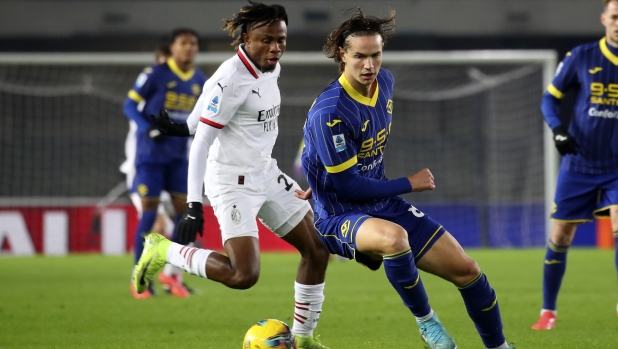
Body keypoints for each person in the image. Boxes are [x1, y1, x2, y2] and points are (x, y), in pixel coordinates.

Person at [299, 9, 515, 349]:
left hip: (383, 203)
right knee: (394, 238)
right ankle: (428, 325)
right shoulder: (330, 112)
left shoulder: (385, 82)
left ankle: (500, 347)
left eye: (375, 55)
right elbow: (348, 186)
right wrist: (408, 183)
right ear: (342, 55)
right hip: (339, 215)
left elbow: (342, 159)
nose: (369, 65)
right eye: (360, 57)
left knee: (468, 270)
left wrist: (324, 167)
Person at [134, 2, 331, 348]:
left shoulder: (271, 66)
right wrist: (194, 205)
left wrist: (184, 126)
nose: (275, 48)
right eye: (266, 40)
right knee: (244, 275)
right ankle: (163, 250)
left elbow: (203, 116)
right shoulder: (230, 80)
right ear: (244, 38)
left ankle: (303, 339)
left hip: (266, 172)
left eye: (281, 40)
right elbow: (202, 143)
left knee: (317, 249)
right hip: (231, 183)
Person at [531, 0, 618, 330]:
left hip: (617, 166)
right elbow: (549, 98)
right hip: (580, 163)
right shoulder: (582, 56)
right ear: (604, 19)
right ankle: (548, 311)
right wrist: (558, 131)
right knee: (562, 234)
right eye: (615, 17)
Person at [123, 29, 207, 299]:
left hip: (179, 158)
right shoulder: (155, 74)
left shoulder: (200, 80)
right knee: (149, 215)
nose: (188, 48)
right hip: (150, 157)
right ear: (172, 47)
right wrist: (148, 128)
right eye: (183, 43)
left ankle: (171, 274)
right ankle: (141, 279)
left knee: (187, 217)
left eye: (193, 43)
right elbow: (129, 105)